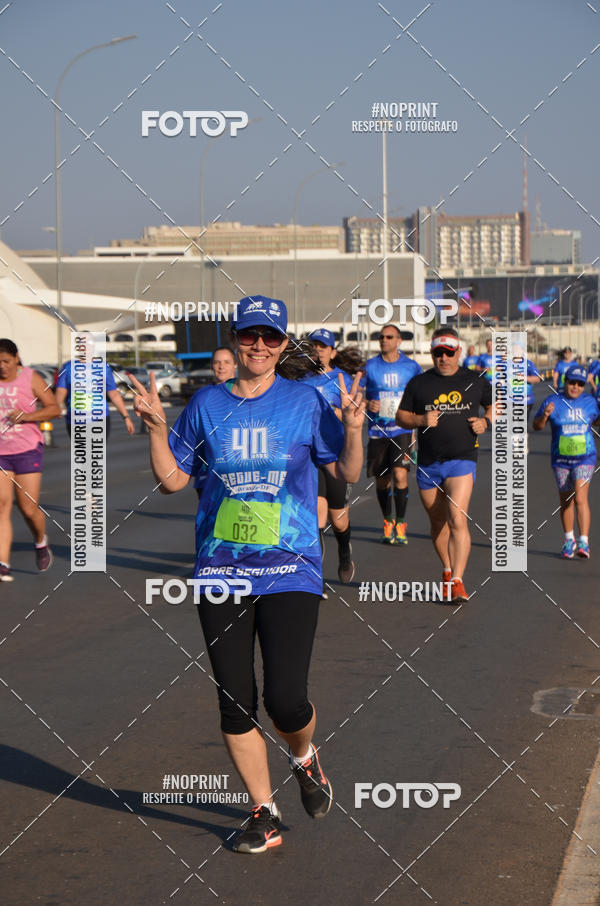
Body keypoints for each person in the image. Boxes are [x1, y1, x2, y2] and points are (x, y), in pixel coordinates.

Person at [131, 295, 365, 854]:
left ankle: (304, 756)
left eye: (270, 337)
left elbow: (347, 471)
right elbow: (173, 481)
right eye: (249, 335)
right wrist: (157, 430)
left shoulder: (304, 401)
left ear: (283, 344)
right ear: (236, 339)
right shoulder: (206, 404)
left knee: (286, 700)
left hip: (290, 567)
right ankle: (264, 812)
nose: (259, 345)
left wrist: (355, 429)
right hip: (221, 569)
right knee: (235, 700)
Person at [396, 327, 493, 602]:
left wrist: (486, 421)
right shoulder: (419, 383)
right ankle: (448, 571)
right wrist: (420, 420)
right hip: (428, 463)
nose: (444, 358)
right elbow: (401, 416)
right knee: (438, 521)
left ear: (458, 352)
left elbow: (495, 405)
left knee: (456, 517)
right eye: (438, 353)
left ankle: (458, 581)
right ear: (432, 353)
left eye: (449, 353)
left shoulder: (475, 380)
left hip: (462, 459)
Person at [305, 328, 364, 584]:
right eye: (314, 346)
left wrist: (331, 410)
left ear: (333, 352)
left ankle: (344, 551)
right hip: (308, 457)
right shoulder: (299, 380)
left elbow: (352, 414)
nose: (318, 350)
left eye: (323, 346)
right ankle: (315, 579)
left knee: (338, 521)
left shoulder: (342, 379)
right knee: (317, 517)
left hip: (335, 457)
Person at [0, 339, 60, 581]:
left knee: (27, 508)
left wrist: (27, 416)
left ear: (16, 358)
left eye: (6, 361)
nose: (2, 366)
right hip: (1, 452)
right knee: (2, 506)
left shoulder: (31, 378)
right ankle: (3, 563)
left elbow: (54, 408)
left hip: (26, 449)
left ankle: (40, 541)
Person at [533, 363, 599, 559]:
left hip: (585, 457)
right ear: (565, 381)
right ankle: (569, 539)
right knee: (566, 500)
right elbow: (536, 426)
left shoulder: (590, 402)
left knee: (580, 498)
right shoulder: (553, 401)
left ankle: (584, 542)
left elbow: (596, 420)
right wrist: (545, 415)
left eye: (580, 384)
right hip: (561, 459)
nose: (575, 387)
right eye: (572, 383)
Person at [365, 324, 421, 544]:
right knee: (382, 480)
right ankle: (388, 520)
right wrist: (367, 403)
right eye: (381, 337)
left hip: (402, 429)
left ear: (399, 341)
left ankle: (401, 523)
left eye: (389, 337)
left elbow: (420, 396)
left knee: (400, 475)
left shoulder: (411, 367)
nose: (384, 340)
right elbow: (355, 393)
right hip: (378, 431)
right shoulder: (370, 366)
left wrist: (415, 426)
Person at [55, 346, 135, 439]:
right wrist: (56, 407)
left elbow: (114, 394)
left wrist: (126, 417)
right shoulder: (68, 367)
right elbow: (61, 390)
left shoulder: (104, 368)